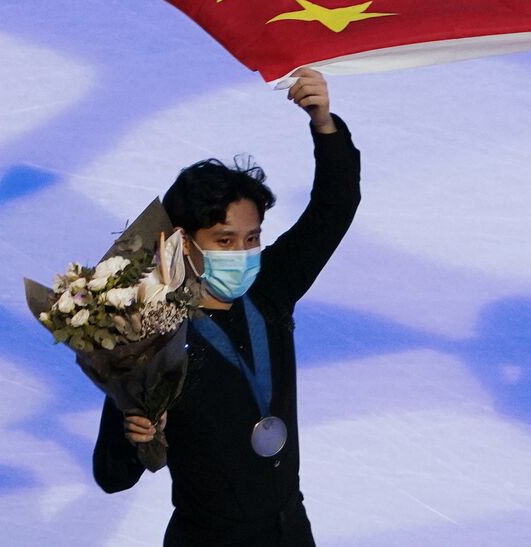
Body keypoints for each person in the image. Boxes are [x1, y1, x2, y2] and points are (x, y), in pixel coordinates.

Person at [92, 68, 361, 546]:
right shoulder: (152, 331)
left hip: (289, 531)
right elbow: (112, 476)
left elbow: (334, 206)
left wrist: (323, 124)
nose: (241, 253)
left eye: (252, 238)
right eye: (224, 240)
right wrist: (133, 434)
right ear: (182, 244)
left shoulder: (270, 290)